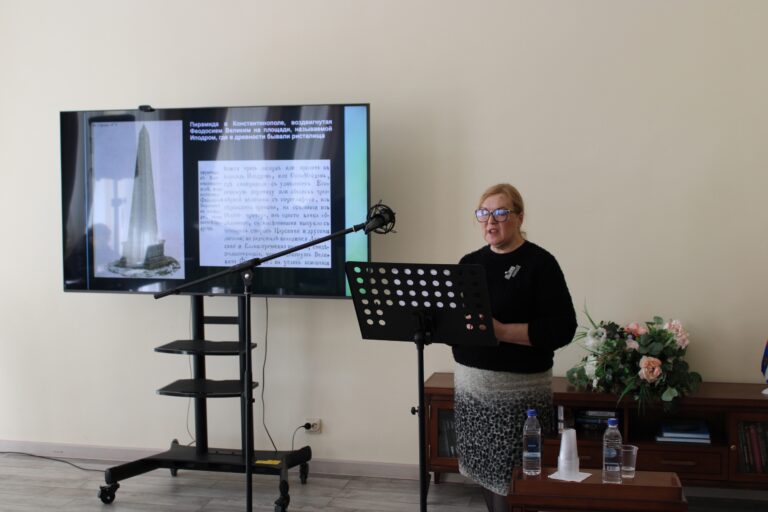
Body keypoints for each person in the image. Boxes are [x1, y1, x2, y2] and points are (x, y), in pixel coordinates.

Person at [452, 183, 577, 511]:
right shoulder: (469, 263)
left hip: (519, 396)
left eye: (500, 212)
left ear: (519, 217)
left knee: (514, 478)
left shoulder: (541, 263)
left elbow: (562, 328)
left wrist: (502, 331)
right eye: (483, 213)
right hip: (472, 392)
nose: (490, 221)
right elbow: (458, 323)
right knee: (484, 471)